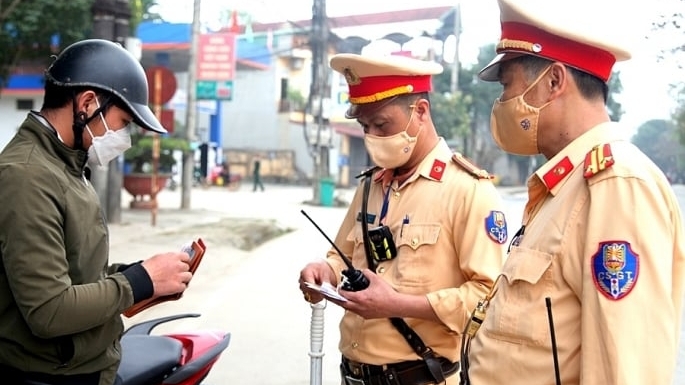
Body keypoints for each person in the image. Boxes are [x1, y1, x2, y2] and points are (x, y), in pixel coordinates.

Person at [463, 1, 685, 384]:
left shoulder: (616, 185)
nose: (500, 104)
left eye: (506, 87)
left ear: (553, 81)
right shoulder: (564, 186)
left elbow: (623, 370)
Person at [298, 53, 508, 385]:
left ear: (420, 111)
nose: (372, 137)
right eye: (365, 127)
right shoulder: (370, 185)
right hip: (352, 375)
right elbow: (341, 257)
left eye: (381, 125)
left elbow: (489, 299)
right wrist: (324, 272)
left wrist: (400, 304)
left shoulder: (468, 190)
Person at [0, 39, 193, 385]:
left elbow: (76, 273)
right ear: (87, 103)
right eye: (122, 122)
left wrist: (142, 276)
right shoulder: (26, 177)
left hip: (89, 365)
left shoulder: (65, 166)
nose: (124, 137)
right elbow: (50, 311)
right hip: (54, 375)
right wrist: (139, 281)